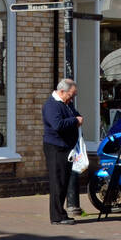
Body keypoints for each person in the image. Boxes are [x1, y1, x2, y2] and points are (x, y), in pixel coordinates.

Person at [43, 79, 82, 225]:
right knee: (57, 182)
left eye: (74, 96)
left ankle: (61, 213)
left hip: (66, 147)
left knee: (64, 181)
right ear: (62, 91)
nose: (72, 99)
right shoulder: (52, 105)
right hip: (55, 148)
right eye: (71, 95)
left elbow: (76, 115)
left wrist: (75, 119)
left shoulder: (67, 104)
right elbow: (58, 125)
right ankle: (57, 216)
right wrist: (75, 120)